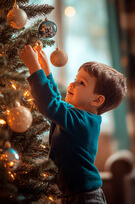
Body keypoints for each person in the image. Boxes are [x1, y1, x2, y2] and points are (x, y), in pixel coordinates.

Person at [19, 45, 127, 204]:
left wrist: (33, 67)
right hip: (72, 193)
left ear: (97, 100)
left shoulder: (82, 122)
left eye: (81, 83)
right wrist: (46, 71)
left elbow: (49, 104)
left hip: (85, 197)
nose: (72, 84)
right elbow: (55, 99)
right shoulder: (76, 115)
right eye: (75, 79)